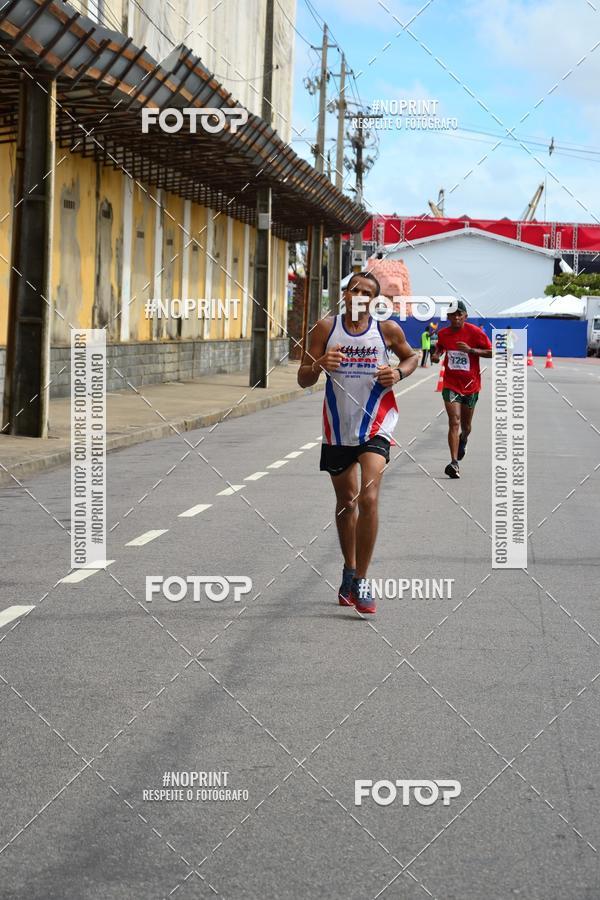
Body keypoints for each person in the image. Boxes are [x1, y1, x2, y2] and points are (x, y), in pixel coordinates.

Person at [298, 271, 418, 614]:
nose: (360, 295)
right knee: (346, 502)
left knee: (369, 496)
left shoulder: (387, 330)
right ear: (345, 294)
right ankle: (349, 570)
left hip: (376, 424)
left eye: (368, 292)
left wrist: (398, 373)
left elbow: (411, 357)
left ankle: (363, 579)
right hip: (338, 428)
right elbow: (303, 377)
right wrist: (320, 364)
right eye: (355, 289)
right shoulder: (326, 328)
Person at [430, 300, 493, 479]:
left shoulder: (476, 333)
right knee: (454, 421)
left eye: (460, 314)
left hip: (471, 386)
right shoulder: (443, 333)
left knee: (465, 426)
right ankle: (454, 462)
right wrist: (435, 355)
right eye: (453, 314)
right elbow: (440, 348)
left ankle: (464, 439)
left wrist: (472, 350)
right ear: (448, 317)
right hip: (451, 384)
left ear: (465, 316)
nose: (456, 317)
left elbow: (493, 352)